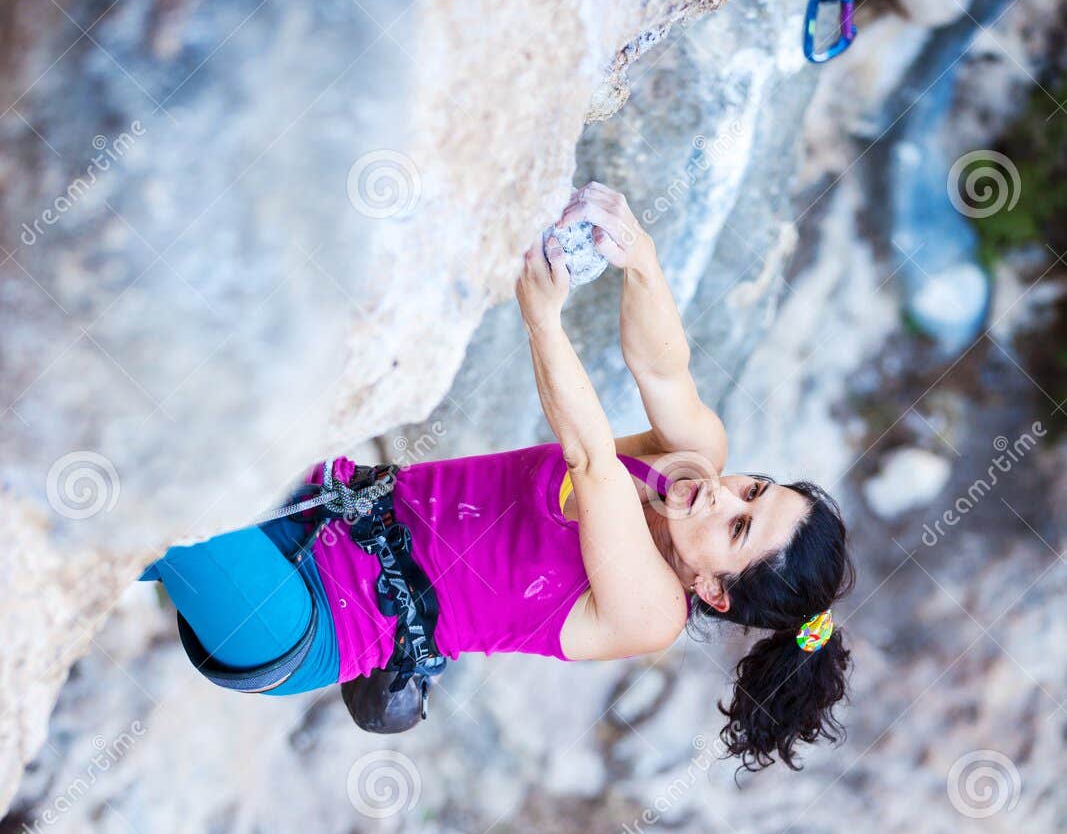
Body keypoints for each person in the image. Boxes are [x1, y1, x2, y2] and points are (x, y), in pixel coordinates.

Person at [145, 183, 853, 769]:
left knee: (159, 481)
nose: (726, 492)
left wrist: (543, 319)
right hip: (314, 504)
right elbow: (663, 368)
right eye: (755, 489)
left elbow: (593, 466)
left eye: (737, 527)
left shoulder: (651, 614)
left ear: (711, 593)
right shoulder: (693, 459)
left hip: (306, 618)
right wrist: (640, 261)